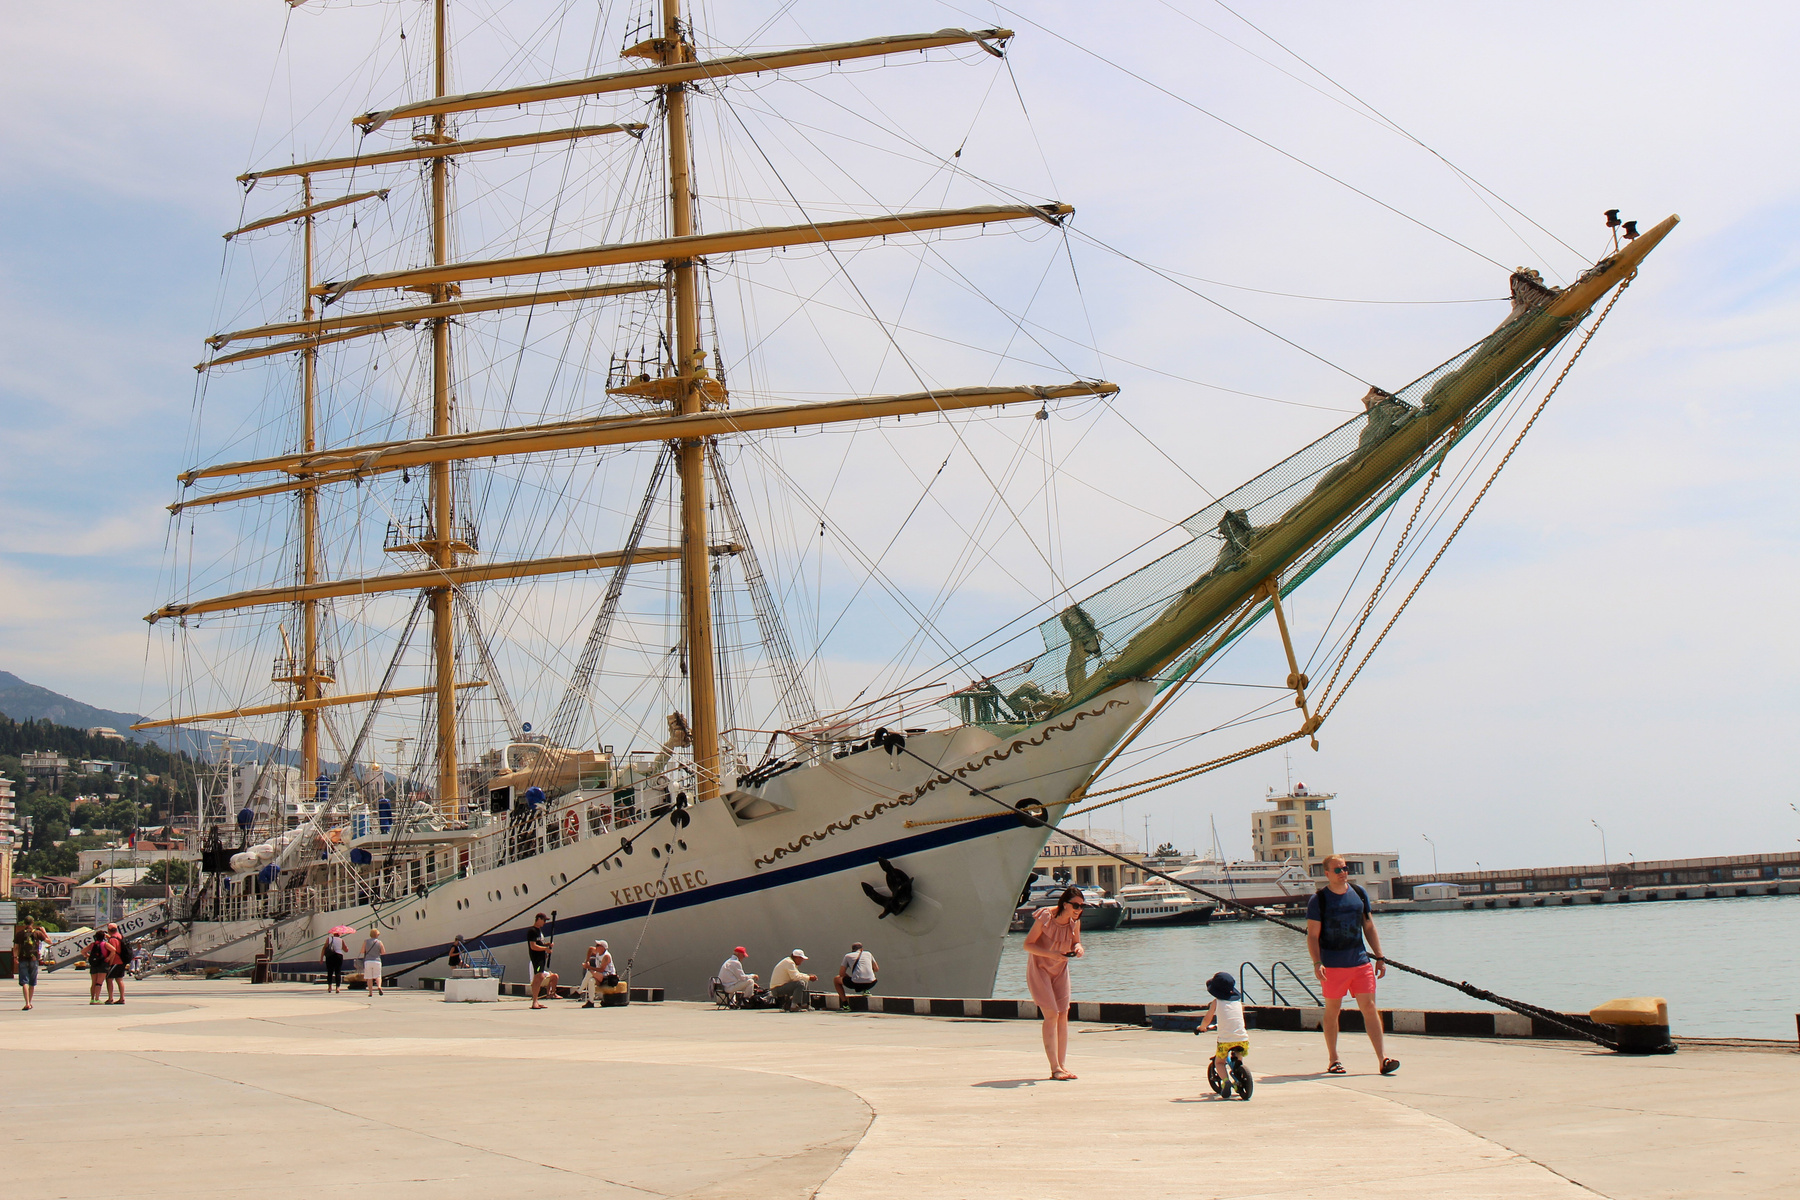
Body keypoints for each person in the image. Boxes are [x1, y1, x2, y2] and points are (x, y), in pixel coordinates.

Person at [1307, 855, 1399, 1076]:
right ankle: (1334, 1059)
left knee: (1370, 1008)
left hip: (1360, 962)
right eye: (1337, 870)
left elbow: (1369, 926)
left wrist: (1380, 957)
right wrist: (1317, 962)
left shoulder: (1359, 893)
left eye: (1345, 868)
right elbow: (1312, 936)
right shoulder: (1319, 900)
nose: (1343, 873)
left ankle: (1382, 1059)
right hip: (1332, 965)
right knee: (1333, 1011)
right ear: (1327, 873)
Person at [1023, 886, 1085, 1081]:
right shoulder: (1046, 916)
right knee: (1051, 1014)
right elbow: (1028, 945)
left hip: (1060, 970)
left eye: (1082, 906)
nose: (1079, 909)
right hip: (1040, 969)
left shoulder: (1075, 921)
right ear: (1065, 904)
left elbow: (1076, 942)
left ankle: (1062, 1065)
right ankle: (1055, 1068)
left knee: (1063, 1014)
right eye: (1076, 905)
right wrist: (1051, 954)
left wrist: (1078, 948)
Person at [1198, 971, 1250, 1090]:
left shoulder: (1216, 1003)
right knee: (1238, 1056)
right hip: (1243, 1038)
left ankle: (1226, 1081)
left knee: (1219, 1062)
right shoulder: (1238, 1003)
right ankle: (1239, 1070)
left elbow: (1207, 1019)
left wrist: (1202, 1027)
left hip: (1225, 1040)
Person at [13, 917, 49, 1010]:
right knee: (32, 982)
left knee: (24, 981)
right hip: (34, 959)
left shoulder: (19, 934)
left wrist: (15, 957)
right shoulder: (37, 933)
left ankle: (27, 1003)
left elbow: (16, 947)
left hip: (23, 959)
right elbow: (49, 942)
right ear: (32, 923)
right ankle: (30, 1001)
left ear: (24, 923)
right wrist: (44, 932)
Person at [527, 913, 558, 1009]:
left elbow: (539, 943)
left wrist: (547, 945)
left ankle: (536, 1000)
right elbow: (533, 946)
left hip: (541, 958)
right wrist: (545, 949)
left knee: (539, 978)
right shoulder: (532, 931)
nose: (545, 922)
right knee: (539, 977)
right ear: (539, 919)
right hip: (536, 958)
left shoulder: (539, 931)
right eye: (544, 920)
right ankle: (534, 1001)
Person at [580, 940, 614, 1007]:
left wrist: (588, 967)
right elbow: (590, 949)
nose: (596, 947)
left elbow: (602, 969)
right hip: (601, 975)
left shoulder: (606, 956)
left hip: (609, 977)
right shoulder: (598, 952)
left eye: (598, 945)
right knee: (591, 981)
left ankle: (580, 989)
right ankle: (591, 1002)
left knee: (590, 972)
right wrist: (587, 961)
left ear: (603, 948)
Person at [107, 925, 134, 1003]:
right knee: (119, 979)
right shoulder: (120, 936)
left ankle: (110, 998)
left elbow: (113, 952)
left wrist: (110, 963)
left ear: (109, 930)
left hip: (115, 961)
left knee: (109, 979)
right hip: (122, 961)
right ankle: (122, 998)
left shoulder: (112, 939)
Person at [362, 927, 386, 997]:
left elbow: (362, 951)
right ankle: (379, 987)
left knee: (369, 978)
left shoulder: (366, 941)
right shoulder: (379, 942)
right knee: (378, 976)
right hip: (377, 961)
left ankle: (370, 993)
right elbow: (383, 952)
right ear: (377, 935)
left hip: (368, 961)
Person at [88, 930, 110, 1005]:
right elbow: (113, 950)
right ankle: (97, 999)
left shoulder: (92, 944)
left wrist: (88, 956)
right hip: (102, 964)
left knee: (93, 983)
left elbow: (83, 951)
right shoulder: (105, 944)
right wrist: (109, 958)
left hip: (94, 964)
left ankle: (92, 999)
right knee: (99, 983)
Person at [322, 930, 348, 994]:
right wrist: (346, 948)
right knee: (338, 972)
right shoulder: (341, 940)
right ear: (339, 934)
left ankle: (330, 987)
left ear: (333, 934)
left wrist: (321, 958)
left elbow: (324, 948)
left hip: (330, 956)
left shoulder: (329, 939)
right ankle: (337, 988)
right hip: (338, 956)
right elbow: (346, 950)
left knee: (330, 972)